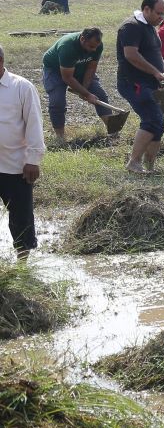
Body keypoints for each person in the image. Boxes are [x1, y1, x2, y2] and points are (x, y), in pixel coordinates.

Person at [0, 44, 45, 260]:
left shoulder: (22, 88)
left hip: (16, 166)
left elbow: (34, 124)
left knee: (21, 217)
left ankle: (22, 263)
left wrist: (33, 160)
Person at [117, 0, 164, 175]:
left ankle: (150, 166)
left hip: (150, 82)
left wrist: (162, 66)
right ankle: (134, 162)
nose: (161, 17)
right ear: (146, 9)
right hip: (134, 83)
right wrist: (155, 71)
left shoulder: (150, 26)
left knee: (158, 124)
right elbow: (131, 55)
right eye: (158, 13)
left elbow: (153, 50)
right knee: (152, 119)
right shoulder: (131, 27)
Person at [41, 28, 118, 141]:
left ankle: (113, 131)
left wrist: (85, 90)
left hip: (79, 68)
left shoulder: (97, 45)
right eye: (91, 47)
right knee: (57, 102)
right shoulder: (67, 46)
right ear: (82, 39)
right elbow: (67, 77)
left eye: (96, 47)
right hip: (55, 70)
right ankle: (60, 138)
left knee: (99, 94)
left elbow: (91, 69)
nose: (94, 50)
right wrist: (86, 94)